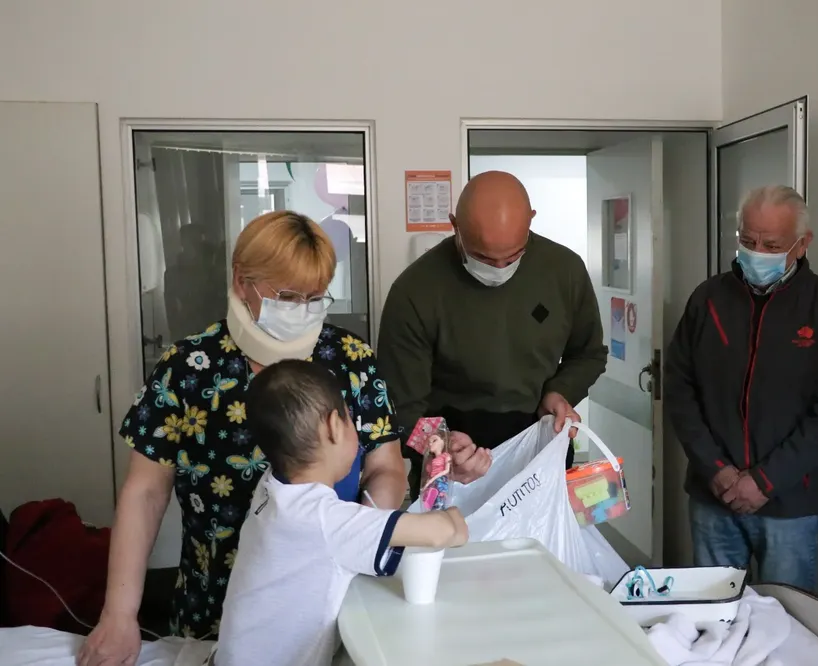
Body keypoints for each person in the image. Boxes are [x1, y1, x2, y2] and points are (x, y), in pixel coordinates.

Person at [78, 211, 407, 666]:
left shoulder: (350, 360)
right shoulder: (188, 368)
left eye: (315, 297)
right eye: (288, 296)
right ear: (241, 280)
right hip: (214, 601)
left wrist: (362, 532)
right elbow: (145, 492)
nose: (302, 309)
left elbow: (387, 467)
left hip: (330, 600)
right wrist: (119, 613)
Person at [663, 185, 818, 591]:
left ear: (802, 244)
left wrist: (765, 481)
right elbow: (680, 388)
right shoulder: (708, 301)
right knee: (712, 621)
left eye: (772, 244)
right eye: (748, 240)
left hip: (790, 504)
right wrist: (716, 470)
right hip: (712, 496)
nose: (757, 252)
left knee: (786, 624)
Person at [213, 360, 468, 666]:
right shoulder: (325, 520)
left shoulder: (271, 488)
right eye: (350, 419)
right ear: (335, 426)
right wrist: (445, 483)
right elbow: (449, 531)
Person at [378, 171, 608, 491]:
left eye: (514, 256)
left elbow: (589, 354)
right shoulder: (416, 290)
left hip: (539, 448)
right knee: (454, 541)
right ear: (455, 225)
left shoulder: (564, 270)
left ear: (531, 220)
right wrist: (440, 447)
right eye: (483, 258)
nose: (499, 270)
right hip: (452, 459)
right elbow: (398, 406)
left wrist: (561, 392)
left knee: (542, 542)